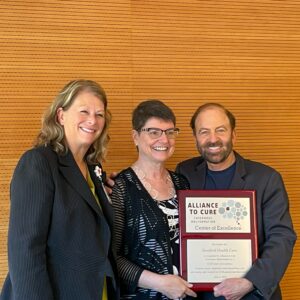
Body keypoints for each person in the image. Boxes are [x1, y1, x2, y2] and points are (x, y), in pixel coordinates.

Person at [1, 79, 119, 300]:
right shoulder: (39, 162)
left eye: (100, 114)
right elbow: (25, 250)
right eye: (84, 111)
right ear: (60, 116)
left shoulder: (94, 169)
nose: (92, 120)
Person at [176, 102, 297, 300]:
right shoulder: (185, 172)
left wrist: (250, 281)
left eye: (220, 130)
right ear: (195, 138)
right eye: (204, 132)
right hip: (199, 293)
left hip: (250, 293)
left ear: (233, 134)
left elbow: (282, 237)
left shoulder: (266, 178)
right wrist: (122, 183)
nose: (213, 139)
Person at [111, 100, 197, 299]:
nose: (164, 140)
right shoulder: (121, 187)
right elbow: (112, 257)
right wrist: (160, 283)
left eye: (170, 132)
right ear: (135, 137)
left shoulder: (182, 183)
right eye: (154, 132)